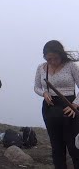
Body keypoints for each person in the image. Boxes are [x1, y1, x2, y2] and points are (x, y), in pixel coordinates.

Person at [34, 40, 79, 168]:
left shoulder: (71, 66)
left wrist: (75, 105)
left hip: (69, 105)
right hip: (50, 107)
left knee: (73, 145)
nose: (53, 62)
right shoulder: (41, 67)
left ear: (61, 55)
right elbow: (36, 87)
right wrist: (44, 93)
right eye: (49, 59)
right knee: (56, 145)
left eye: (56, 58)